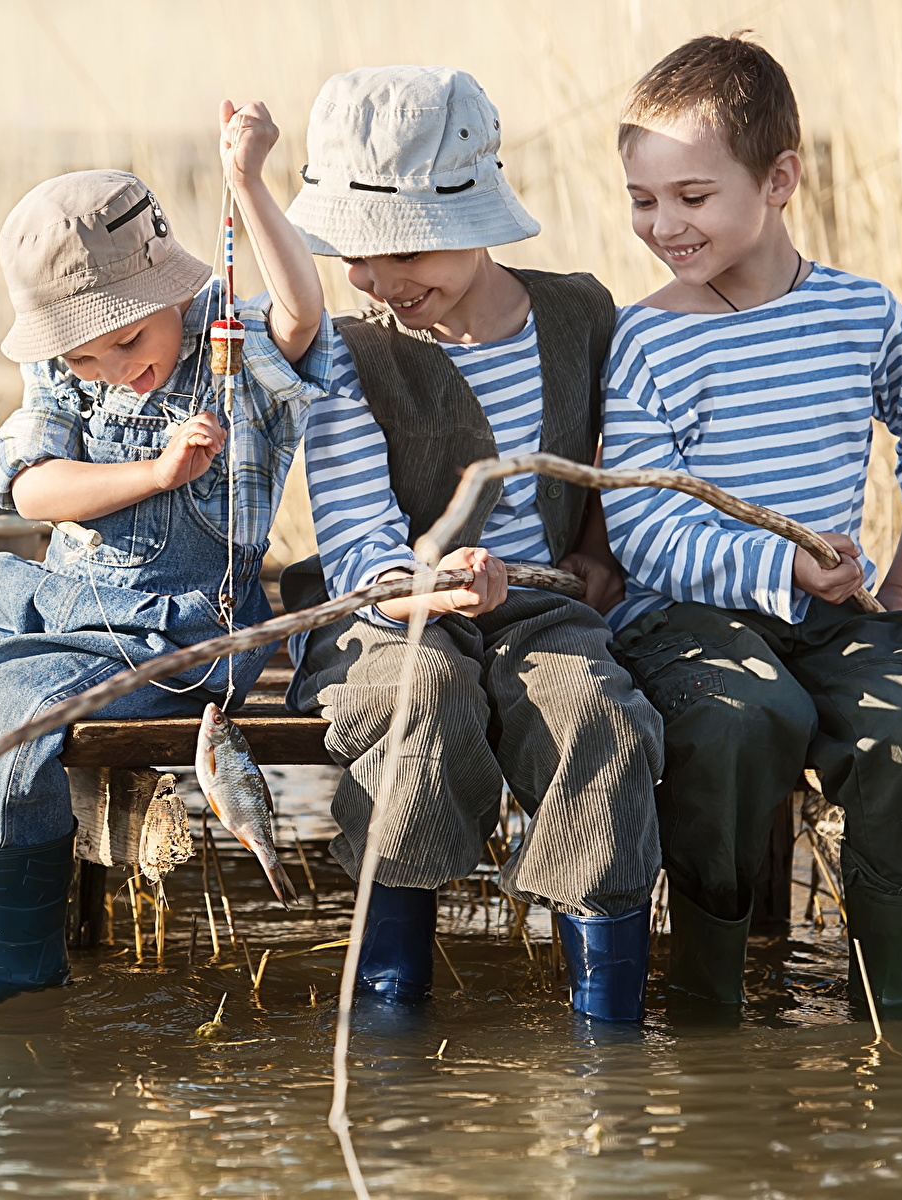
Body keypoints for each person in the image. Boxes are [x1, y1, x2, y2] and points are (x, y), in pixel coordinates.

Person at [0, 103, 332, 1009]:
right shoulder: (67, 371)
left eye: (130, 340)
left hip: (182, 631)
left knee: (2, 707)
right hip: (60, 607)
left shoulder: (230, 349)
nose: (117, 368)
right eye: (87, 357)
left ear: (176, 294)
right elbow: (30, 490)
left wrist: (247, 182)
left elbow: (305, 312)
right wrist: (153, 472)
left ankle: (15, 951)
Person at [603, 35, 902, 1020]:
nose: (664, 224)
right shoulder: (649, 337)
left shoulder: (862, 315)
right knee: (742, 720)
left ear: (780, 179)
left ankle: (886, 1000)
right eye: (645, 200)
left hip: (834, 611)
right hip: (687, 615)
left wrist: (901, 590)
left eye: (692, 196)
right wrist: (780, 569)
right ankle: (708, 996)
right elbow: (643, 532)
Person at [282, 65, 664, 1021]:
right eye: (356, 258)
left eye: (402, 251)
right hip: (387, 607)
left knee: (597, 719)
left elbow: (616, 461)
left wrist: (601, 554)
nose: (377, 280)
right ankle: (389, 1002)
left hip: (543, 602)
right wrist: (424, 587)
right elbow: (358, 529)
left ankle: (605, 1017)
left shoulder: (580, 315)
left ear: (480, 220)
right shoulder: (349, 352)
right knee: (418, 696)